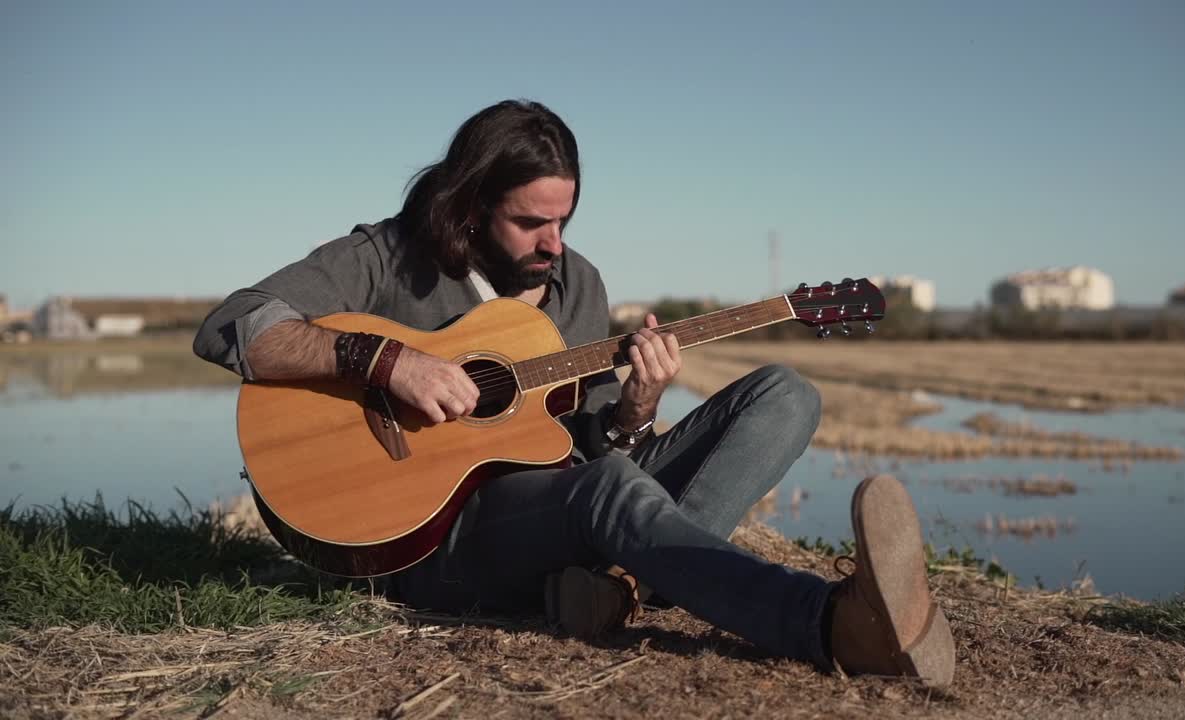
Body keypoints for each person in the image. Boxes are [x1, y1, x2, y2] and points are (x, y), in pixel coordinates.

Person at [193, 99, 955, 687]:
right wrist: (387, 361)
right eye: (531, 223)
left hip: (556, 514)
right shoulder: (387, 257)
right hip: (424, 540)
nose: (554, 243)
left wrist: (634, 410)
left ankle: (620, 588)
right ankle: (828, 625)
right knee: (612, 492)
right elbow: (236, 324)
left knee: (786, 394)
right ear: (467, 206)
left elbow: (591, 451)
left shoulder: (577, 284)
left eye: (564, 219)